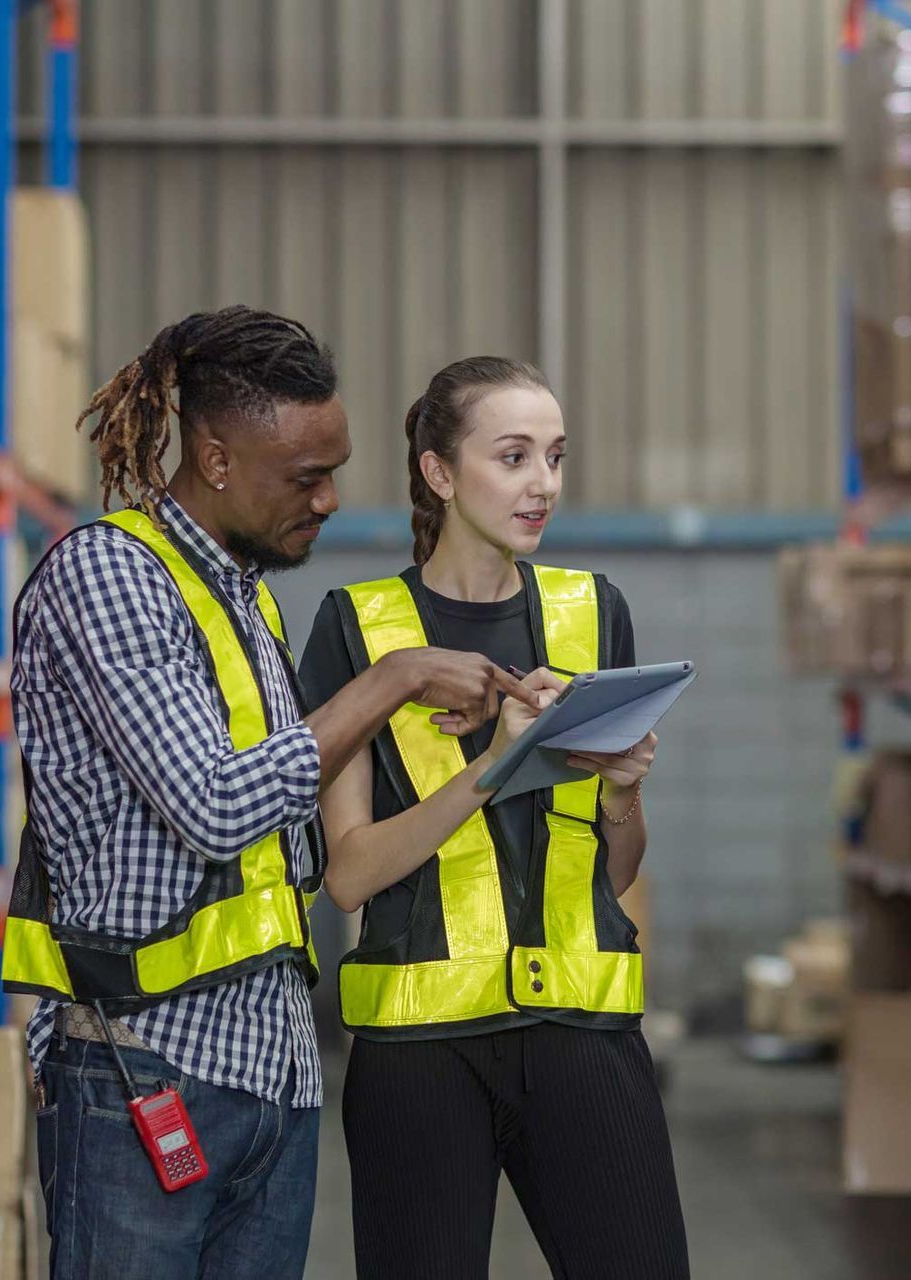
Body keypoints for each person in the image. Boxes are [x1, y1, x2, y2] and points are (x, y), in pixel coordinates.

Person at [3, 307, 535, 1280]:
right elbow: (211, 801)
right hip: (144, 1065)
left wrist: (479, 739)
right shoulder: (110, 576)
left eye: (332, 469)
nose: (330, 497)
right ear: (213, 458)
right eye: (304, 476)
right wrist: (391, 679)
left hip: (268, 1069)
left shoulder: (243, 598)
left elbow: (287, 802)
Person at [301, 356, 691, 1279]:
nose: (542, 484)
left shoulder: (594, 613)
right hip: (419, 1058)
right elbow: (349, 874)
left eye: (554, 457)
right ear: (440, 472)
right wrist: (497, 765)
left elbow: (613, 871)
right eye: (513, 457)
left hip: (583, 1039)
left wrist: (624, 793)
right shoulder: (358, 630)